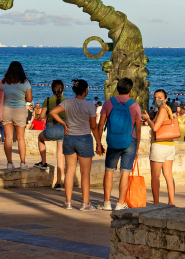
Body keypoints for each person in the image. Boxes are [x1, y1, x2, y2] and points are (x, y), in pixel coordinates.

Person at [48, 79, 102, 210]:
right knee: (85, 173)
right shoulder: (90, 106)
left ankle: (68, 202)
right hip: (84, 139)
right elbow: (94, 127)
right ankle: (85, 203)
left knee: (70, 171)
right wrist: (99, 144)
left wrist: (64, 123)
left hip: (69, 138)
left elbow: (52, 112)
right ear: (86, 91)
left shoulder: (67, 102)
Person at [98, 77, 142, 211]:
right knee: (125, 173)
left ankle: (106, 203)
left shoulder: (108, 103)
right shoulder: (134, 106)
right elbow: (138, 129)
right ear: (131, 90)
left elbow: (101, 124)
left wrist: (98, 143)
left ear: (117, 88)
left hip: (112, 140)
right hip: (130, 141)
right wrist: (137, 147)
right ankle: (120, 203)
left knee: (109, 172)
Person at [143, 89, 177, 206]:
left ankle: (156, 202)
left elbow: (156, 128)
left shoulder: (162, 110)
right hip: (169, 145)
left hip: (159, 146)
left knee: (155, 176)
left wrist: (148, 119)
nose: (157, 100)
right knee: (168, 175)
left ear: (165, 99)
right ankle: (171, 202)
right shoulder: (168, 110)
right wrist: (150, 121)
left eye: (160, 98)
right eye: (155, 98)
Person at [0, 61, 32, 169]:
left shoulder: (3, 82)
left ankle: (9, 163)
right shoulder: (25, 82)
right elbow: (29, 99)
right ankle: (22, 163)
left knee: (8, 138)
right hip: (20, 111)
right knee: (20, 138)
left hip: (6, 110)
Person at [37, 79, 67, 187]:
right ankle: (58, 183)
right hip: (63, 131)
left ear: (52, 89)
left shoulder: (48, 100)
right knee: (60, 156)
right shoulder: (66, 100)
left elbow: (41, 116)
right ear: (63, 88)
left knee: (40, 138)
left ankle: (44, 162)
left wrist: (46, 116)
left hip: (50, 130)